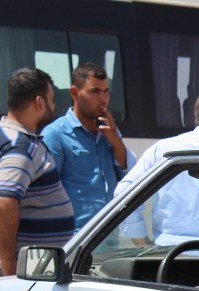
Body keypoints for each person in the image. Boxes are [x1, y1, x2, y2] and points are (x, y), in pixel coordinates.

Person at [115, 87, 199, 248]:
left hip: (166, 260)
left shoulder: (161, 149)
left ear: (197, 118)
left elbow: (123, 192)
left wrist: (142, 242)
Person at [0, 67, 74, 278]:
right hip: (23, 266)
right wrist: (8, 261)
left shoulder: (0, 135)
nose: (54, 105)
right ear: (39, 102)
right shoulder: (20, 147)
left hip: (30, 262)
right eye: (51, 99)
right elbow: (3, 203)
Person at [42, 62, 134, 232]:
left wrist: (115, 140)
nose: (103, 99)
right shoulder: (55, 134)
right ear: (74, 93)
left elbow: (130, 174)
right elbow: (46, 193)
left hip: (109, 235)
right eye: (95, 91)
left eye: (106, 91)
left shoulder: (109, 129)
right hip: (76, 237)